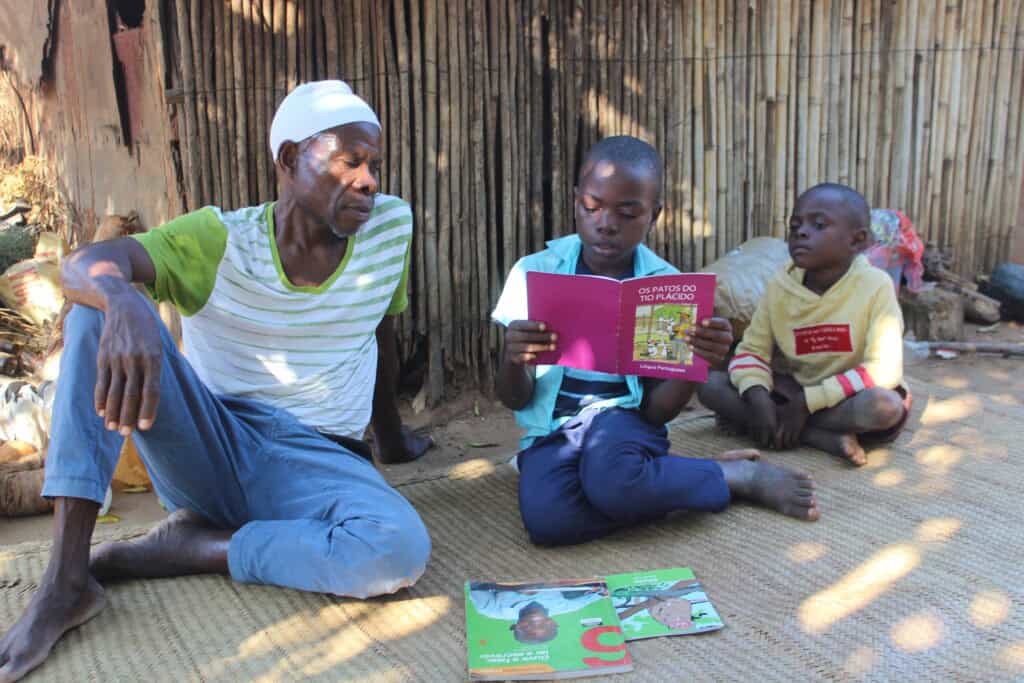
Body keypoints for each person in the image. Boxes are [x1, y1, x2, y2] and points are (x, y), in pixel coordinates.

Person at [0, 81, 432, 682]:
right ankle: (67, 579)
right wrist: (124, 301)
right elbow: (83, 265)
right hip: (212, 444)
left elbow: (378, 328)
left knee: (395, 550)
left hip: (319, 460)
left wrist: (391, 436)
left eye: (374, 165)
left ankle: (196, 549)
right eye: (348, 161)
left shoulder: (391, 227)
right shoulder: (219, 239)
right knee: (94, 312)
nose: (368, 181)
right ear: (288, 160)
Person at [491, 136, 820, 547]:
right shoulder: (534, 273)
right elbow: (514, 399)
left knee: (610, 481)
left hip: (625, 424)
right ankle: (690, 477)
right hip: (552, 432)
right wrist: (512, 359)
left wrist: (695, 366)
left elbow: (655, 413)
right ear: (575, 201)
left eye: (627, 213)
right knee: (549, 523)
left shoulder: (667, 288)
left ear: (655, 214)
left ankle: (737, 477)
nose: (605, 223)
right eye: (591, 207)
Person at [698, 183, 909, 466]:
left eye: (818, 224)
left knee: (884, 407)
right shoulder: (780, 286)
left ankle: (793, 426)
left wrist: (807, 404)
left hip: (847, 397)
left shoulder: (875, 286)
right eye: (795, 225)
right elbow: (751, 351)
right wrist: (758, 396)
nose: (801, 232)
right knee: (709, 385)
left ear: (857, 242)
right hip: (794, 391)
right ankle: (818, 436)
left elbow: (884, 370)